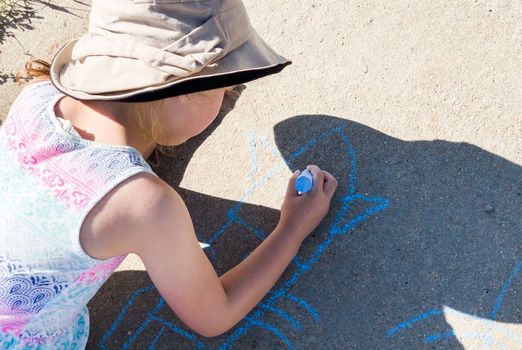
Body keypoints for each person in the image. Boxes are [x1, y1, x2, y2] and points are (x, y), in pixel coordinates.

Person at [0, 1, 338, 348]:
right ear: (177, 95)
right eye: (222, 89)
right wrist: (292, 229)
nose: (229, 96)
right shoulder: (144, 204)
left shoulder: (37, 97)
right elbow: (214, 315)